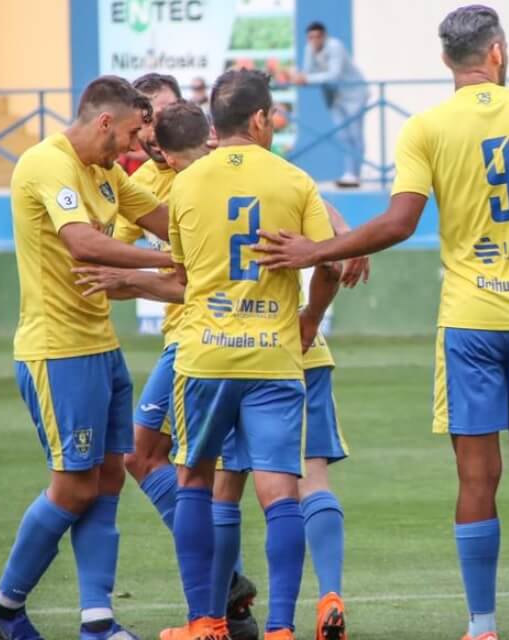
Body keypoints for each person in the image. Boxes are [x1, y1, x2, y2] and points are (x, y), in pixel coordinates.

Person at [258, 6, 509, 639]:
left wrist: (315, 251)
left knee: (476, 476)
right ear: (497, 52)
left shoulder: (425, 127)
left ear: (447, 60)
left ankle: (481, 626)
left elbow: (398, 223)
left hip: (470, 321)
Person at [0, 75, 173, 640]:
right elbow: (84, 244)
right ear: (105, 122)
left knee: (109, 476)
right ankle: (5, 608)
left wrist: (216, 238)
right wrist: (164, 266)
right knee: (73, 487)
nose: (135, 148)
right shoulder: (48, 163)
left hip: (100, 346)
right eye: (134, 133)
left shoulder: (105, 172)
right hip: (56, 351)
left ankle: (97, 622)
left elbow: (166, 221)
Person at [160, 68, 340, 640]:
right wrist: (308, 317)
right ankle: (283, 629)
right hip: (273, 357)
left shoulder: (185, 184)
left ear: (216, 122)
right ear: (261, 119)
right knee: (281, 493)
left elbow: (185, 274)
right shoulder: (293, 180)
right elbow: (330, 261)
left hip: (205, 356)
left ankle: (205, 623)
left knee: (196, 481)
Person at [110, 85, 264, 640]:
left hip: (198, 342)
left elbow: (179, 277)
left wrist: (131, 277)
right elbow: (126, 250)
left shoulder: (215, 165)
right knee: (165, 462)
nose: (149, 136)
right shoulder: (147, 182)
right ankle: (229, 600)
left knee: (184, 468)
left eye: (154, 120)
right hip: (210, 336)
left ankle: (218, 606)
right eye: (142, 128)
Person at [294, 21, 369, 188]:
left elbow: (334, 75)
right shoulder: (309, 49)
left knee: (355, 134)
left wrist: (306, 79)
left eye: (317, 36)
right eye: (310, 37)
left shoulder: (335, 46)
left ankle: (356, 174)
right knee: (342, 135)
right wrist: (298, 76)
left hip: (354, 94)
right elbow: (307, 73)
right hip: (335, 98)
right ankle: (349, 173)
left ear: (324, 36)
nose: (314, 40)